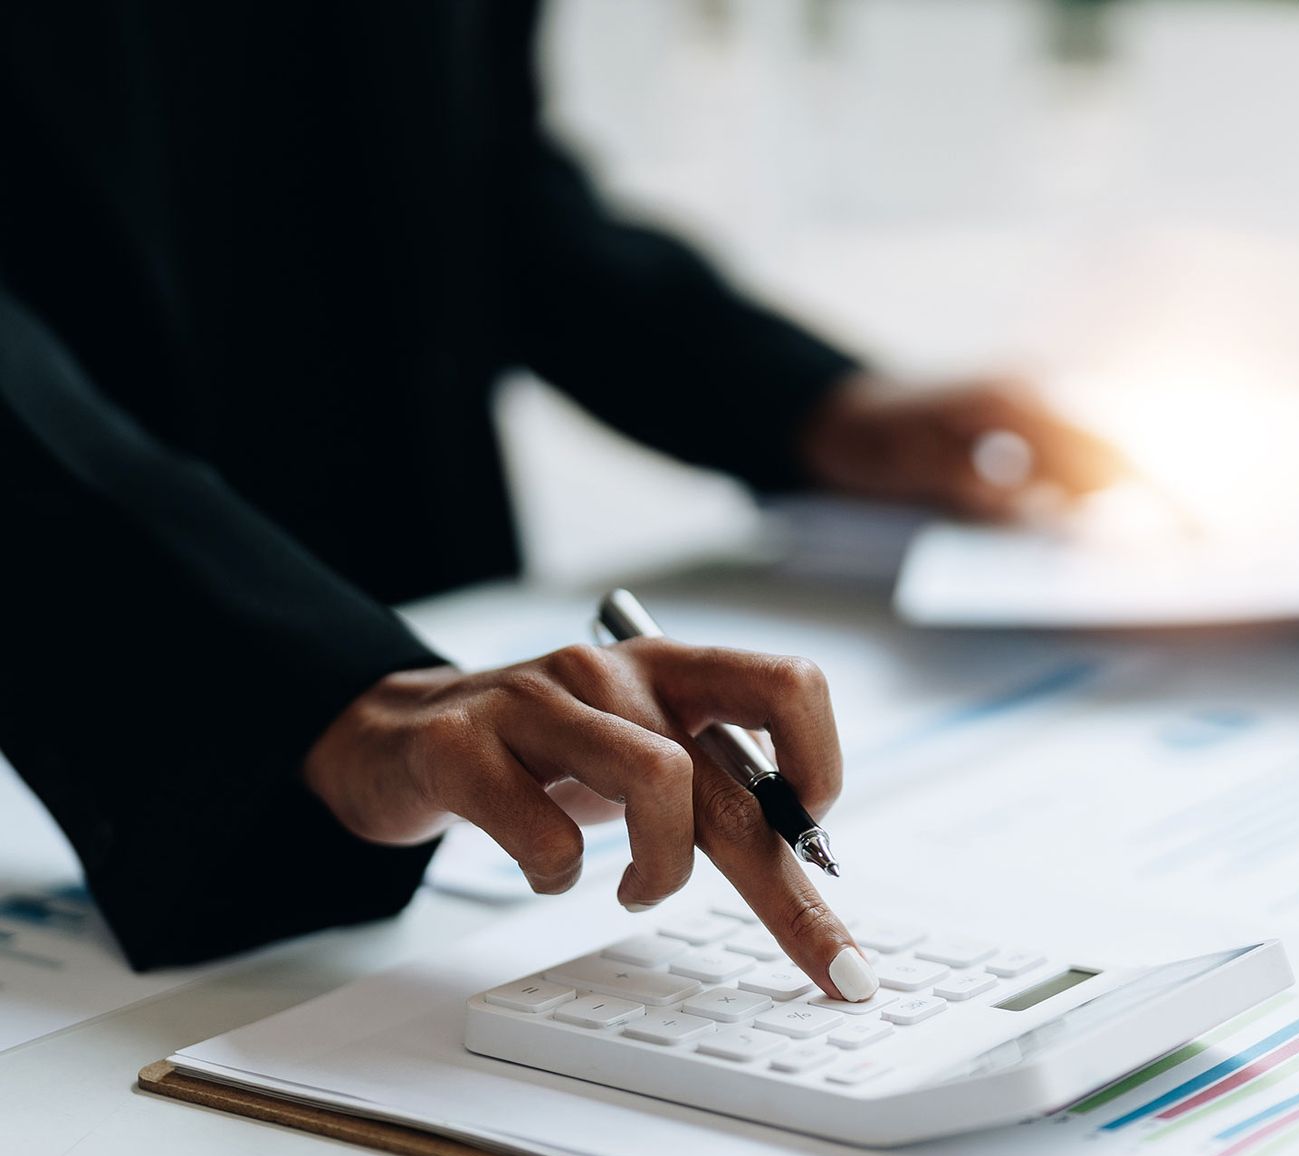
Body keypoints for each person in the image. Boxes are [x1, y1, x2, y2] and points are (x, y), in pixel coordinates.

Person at [0, 2, 1120, 1001]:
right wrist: (300, 680)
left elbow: (476, 175)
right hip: (82, 667)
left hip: (423, 624)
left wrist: (810, 402)